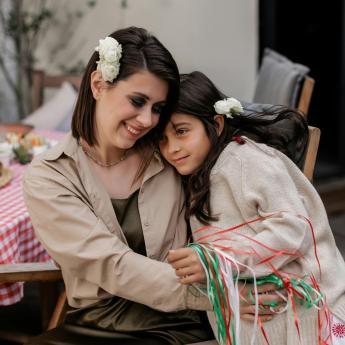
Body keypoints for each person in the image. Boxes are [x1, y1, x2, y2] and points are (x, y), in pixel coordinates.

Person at [23, 27, 217, 345]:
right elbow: (112, 265)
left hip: (182, 324)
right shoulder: (50, 176)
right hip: (99, 328)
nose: (148, 120)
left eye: (157, 108)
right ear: (98, 84)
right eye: (138, 101)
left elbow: (232, 184)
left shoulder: (171, 153)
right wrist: (218, 292)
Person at [159, 71, 345, 345]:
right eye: (161, 139)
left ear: (217, 124)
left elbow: (292, 229)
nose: (172, 148)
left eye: (182, 131)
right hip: (264, 323)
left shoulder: (246, 160)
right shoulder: (198, 176)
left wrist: (219, 263)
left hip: (315, 322)